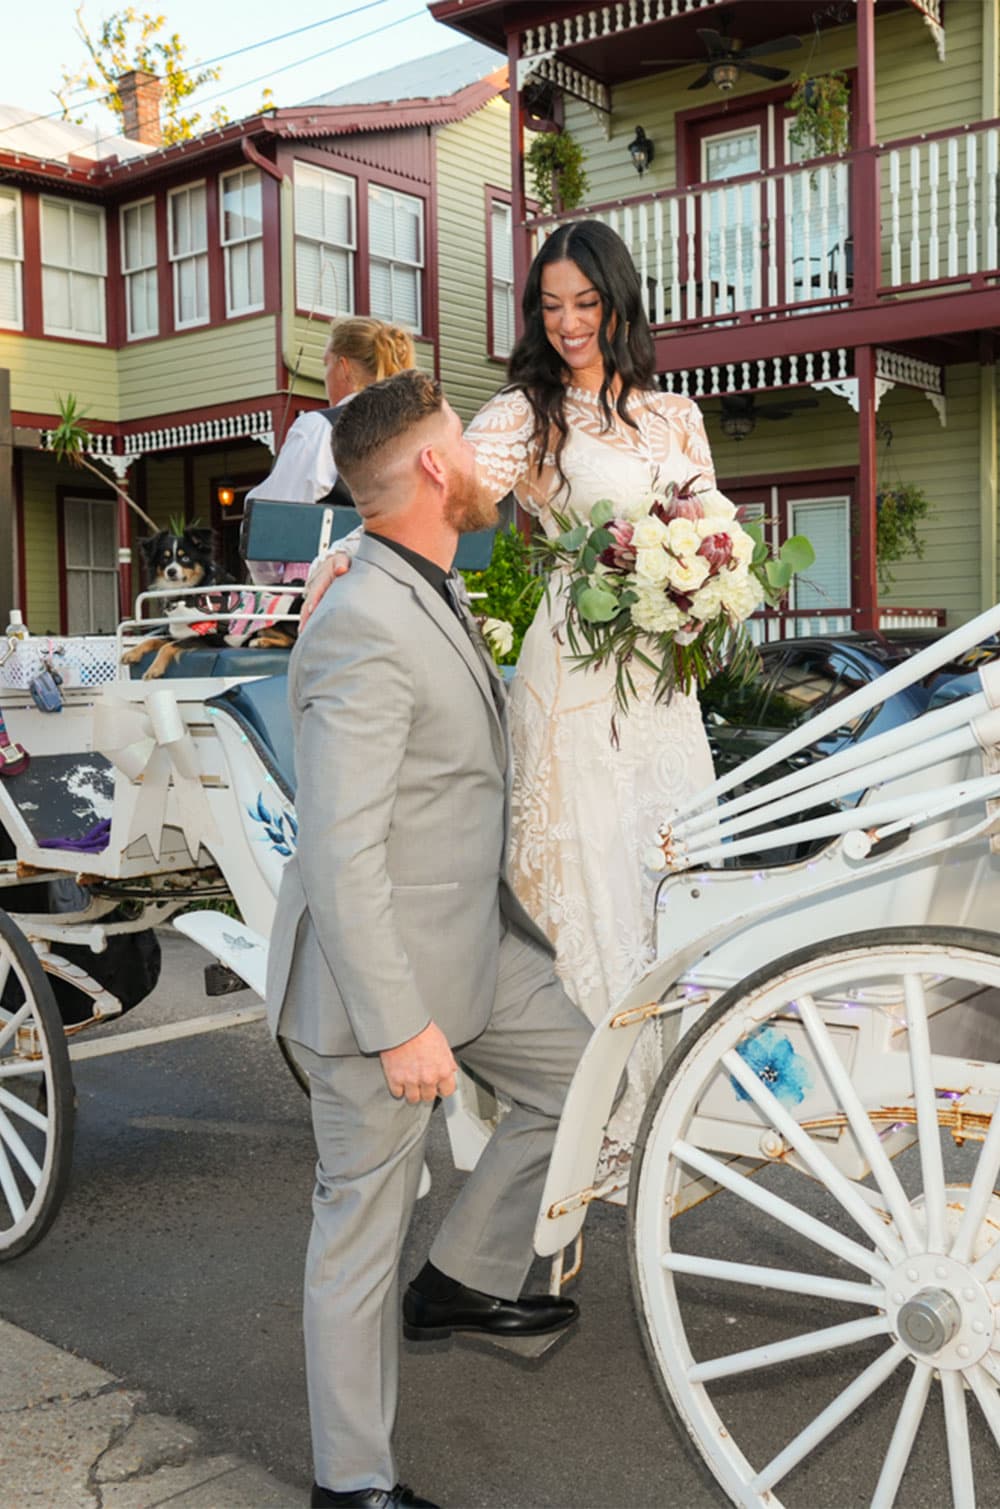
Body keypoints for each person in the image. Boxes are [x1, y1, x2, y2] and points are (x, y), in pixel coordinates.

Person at [303, 222, 719, 1179]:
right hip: (577, 677)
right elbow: (428, 489)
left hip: (664, 689)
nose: (569, 323)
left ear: (619, 299)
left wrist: (707, 586)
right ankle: (586, 1124)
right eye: (551, 305)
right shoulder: (527, 416)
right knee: (595, 884)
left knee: (670, 877)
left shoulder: (679, 417)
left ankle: (668, 1102)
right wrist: (346, 553)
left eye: (586, 301)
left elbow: (707, 527)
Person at [266, 369, 593, 1509]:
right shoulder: (362, 618)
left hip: (475, 944)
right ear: (435, 470)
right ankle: (350, 1485)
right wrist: (399, 1024)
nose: (486, 457)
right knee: (359, 1225)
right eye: (465, 436)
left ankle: (460, 1278)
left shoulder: (414, 579)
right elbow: (340, 853)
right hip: (382, 981)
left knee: (590, 1075)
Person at [246, 315, 416, 584]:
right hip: (409, 584)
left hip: (329, 588)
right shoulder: (421, 431)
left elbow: (270, 527)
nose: (325, 375)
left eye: (326, 363)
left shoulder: (320, 428)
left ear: (343, 366)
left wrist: (269, 584)